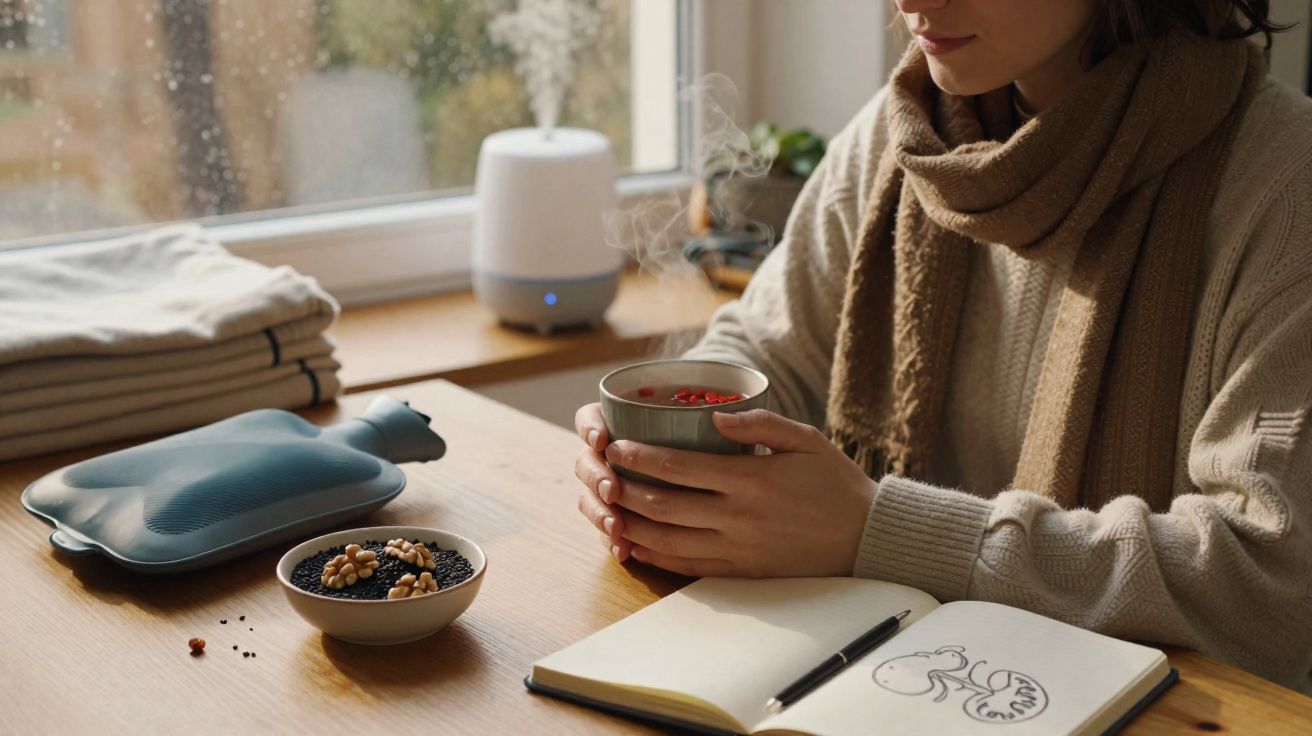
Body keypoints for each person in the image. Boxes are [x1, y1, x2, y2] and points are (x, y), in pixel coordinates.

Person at [574, 0, 1312, 692]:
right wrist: (665, 445)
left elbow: (1268, 586)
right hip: (886, 685)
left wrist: (880, 530)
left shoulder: (1283, 186)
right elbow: (773, 348)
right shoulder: (911, 140)